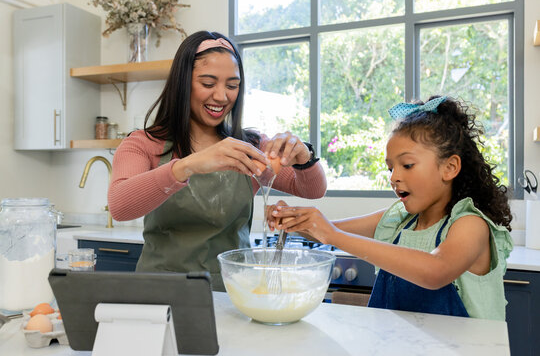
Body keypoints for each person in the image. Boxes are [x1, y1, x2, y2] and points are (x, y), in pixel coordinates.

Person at [108, 31, 326, 291]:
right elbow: (120, 207)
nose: (222, 97)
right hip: (162, 293)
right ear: (183, 83)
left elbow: (312, 190)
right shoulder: (144, 144)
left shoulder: (251, 146)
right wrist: (188, 165)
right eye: (208, 84)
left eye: (232, 86)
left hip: (234, 292)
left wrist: (304, 158)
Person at [269, 96, 513, 320]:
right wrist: (290, 219)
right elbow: (326, 231)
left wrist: (333, 235)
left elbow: (436, 271)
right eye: (390, 168)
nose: (394, 177)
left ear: (449, 167)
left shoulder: (470, 225)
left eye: (407, 165)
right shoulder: (399, 219)